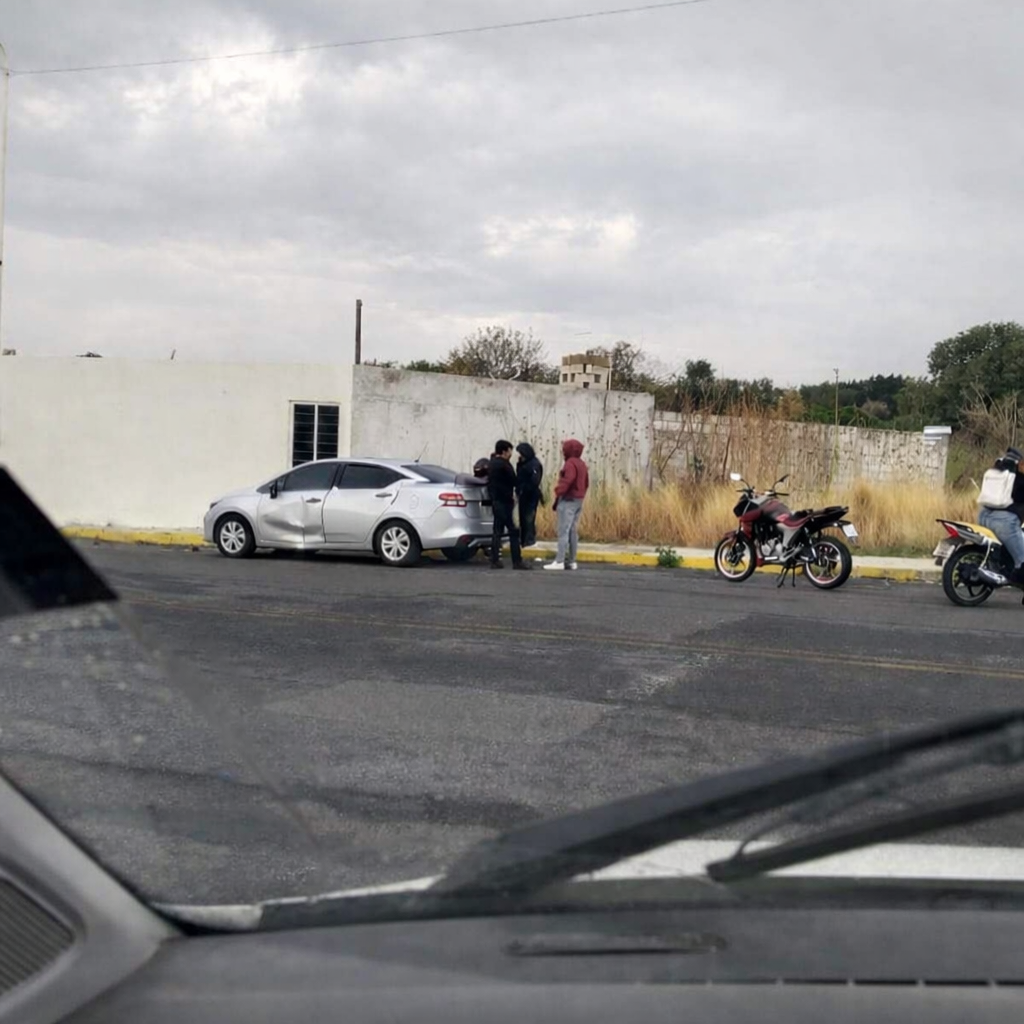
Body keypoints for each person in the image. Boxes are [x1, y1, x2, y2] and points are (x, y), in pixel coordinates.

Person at [978, 446, 1024, 583]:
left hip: (984, 515)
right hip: (1005, 522)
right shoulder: (1019, 480)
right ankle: (1016, 575)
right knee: (1022, 561)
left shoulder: (1001, 472)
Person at [544, 439, 589, 571]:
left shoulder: (569, 464)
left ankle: (559, 561)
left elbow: (567, 479)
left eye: (564, 449)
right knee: (573, 531)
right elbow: (586, 482)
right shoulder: (582, 464)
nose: (563, 452)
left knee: (563, 531)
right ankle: (572, 561)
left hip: (568, 499)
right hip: (578, 499)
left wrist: (559, 491)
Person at [487, 440, 532, 571]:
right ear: (505, 451)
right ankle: (517, 561)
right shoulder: (505, 465)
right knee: (513, 531)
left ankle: (495, 560)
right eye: (510, 451)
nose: (511, 453)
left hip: (495, 501)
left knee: (497, 531)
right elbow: (514, 481)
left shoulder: (492, 464)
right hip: (505, 502)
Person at [515, 442, 544, 549]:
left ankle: (529, 540)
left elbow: (534, 481)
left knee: (529, 518)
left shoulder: (534, 464)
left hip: (530, 495)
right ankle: (523, 540)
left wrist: (524, 489)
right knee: (522, 518)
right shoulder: (523, 463)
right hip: (523, 494)